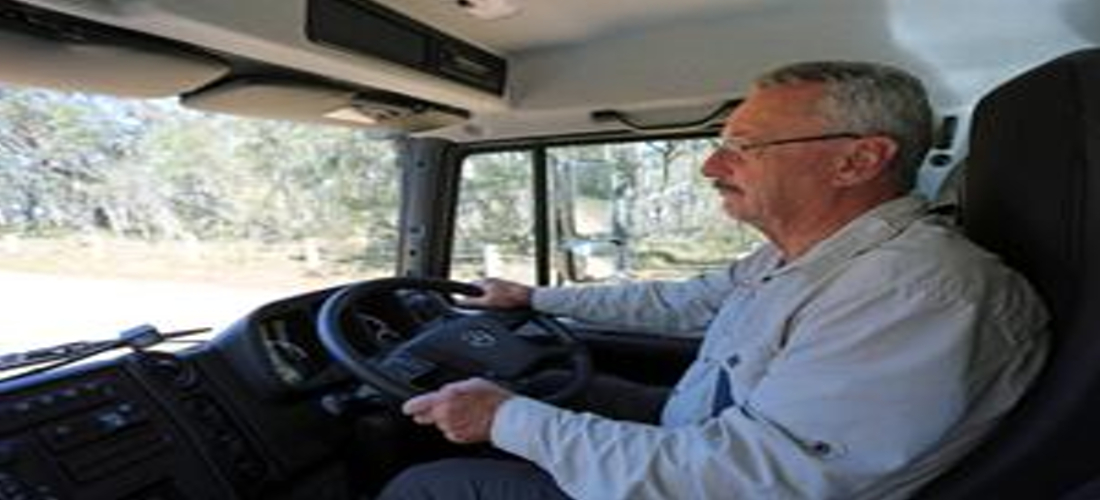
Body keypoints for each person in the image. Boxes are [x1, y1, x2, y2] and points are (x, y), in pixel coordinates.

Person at [378, 61, 1050, 499]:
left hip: (720, 479)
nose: (712, 168)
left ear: (858, 160)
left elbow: (745, 480)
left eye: (745, 147)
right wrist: (533, 299)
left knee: (428, 486)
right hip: (704, 433)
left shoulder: (916, 291)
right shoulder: (814, 256)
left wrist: (506, 419)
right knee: (546, 385)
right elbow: (684, 301)